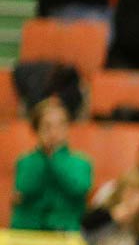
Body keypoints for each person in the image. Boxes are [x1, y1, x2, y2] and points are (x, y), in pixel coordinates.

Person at [10, 100, 93, 233]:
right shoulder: (26, 161)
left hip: (66, 232)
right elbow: (25, 188)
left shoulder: (81, 162)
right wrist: (44, 157)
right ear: (36, 130)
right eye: (47, 126)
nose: (54, 132)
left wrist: (55, 158)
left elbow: (79, 189)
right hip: (28, 232)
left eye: (61, 125)